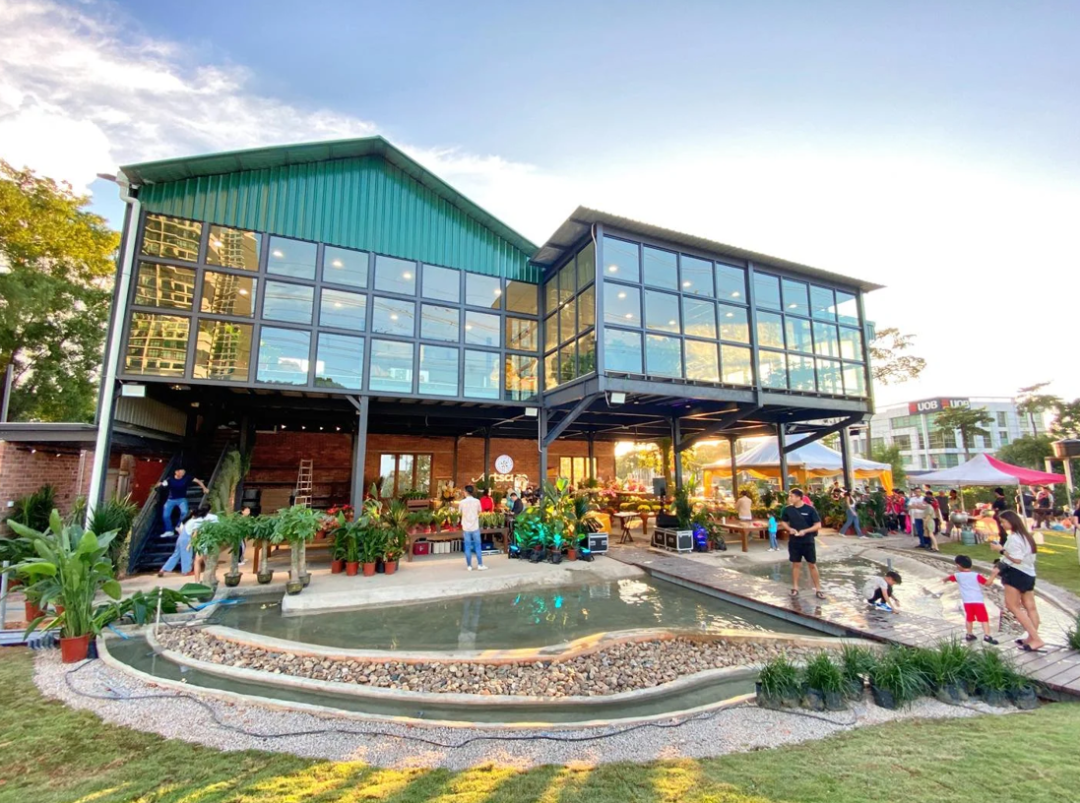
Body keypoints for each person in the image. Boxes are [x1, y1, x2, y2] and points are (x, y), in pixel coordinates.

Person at [990, 510, 1043, 651]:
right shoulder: (1026, 537)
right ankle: (1031, 638)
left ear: (1011, 521)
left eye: (1003, 522)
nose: (1002, 524)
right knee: (1030, 607)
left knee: (1013, 606)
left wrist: (1001, 550)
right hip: (1029, 573)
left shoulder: (1014, 538)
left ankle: (1036, 639)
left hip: (1016, 574)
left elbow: (1017, 559)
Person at [779, 489, 825, 599]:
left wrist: (805, 531)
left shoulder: (810, 509)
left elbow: (818, 525)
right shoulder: (788, 509)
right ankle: (795, 588)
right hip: (794, 541)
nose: (790, 498)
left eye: (792, 496)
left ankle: (818, 589)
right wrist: (789, 529)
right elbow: (783, 522)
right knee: (796, 564)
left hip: (808, 541)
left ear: (799, 497)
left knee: (812, 564)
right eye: (790, 496)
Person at [944, 554, 999, 644]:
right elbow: (987, 583)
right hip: (978, 601)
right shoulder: (975, 575)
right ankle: (987, 636)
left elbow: (948, 578)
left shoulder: (957, 576)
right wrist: (993, 574)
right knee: (984, 619)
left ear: (958, 566)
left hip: (967, 602)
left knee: (969, 618)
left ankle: (969, 634)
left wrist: (943, 580)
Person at [160, 468, 208, 535]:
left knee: (185, 512)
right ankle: (169, 530)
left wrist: (204, 488)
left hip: (182, 499)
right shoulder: (170, 479)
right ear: (176, 472)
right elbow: (162, 485)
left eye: (183, 473)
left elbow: (198, 481)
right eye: (181, 472)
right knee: (166, 515)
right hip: (171, 499)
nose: (182, 474)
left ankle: (179, 526)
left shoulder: (186, 478)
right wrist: (161, 485)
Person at [158, 508, 198, 577]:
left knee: (175, 555)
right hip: (186, 539)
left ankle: (163, 569)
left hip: (180, 538)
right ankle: (186, 571)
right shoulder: (194, 521)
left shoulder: (185, 521)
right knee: (187, 555)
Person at [458, 485, 486, 571]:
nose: (463, 492)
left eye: (464, 491)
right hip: (475, 526)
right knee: (478, 546)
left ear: (466, 492)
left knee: (467, 546)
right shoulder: (477, 501)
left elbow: (459, 512)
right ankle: (480, 565)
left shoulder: (462, 502)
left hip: (466, 527)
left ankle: (469, 566)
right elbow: (480, 511)